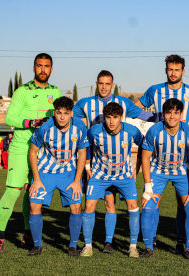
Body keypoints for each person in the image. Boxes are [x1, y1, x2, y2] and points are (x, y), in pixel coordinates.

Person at [73, 70, 155, 254]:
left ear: (112, 85)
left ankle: (121, 244)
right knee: (102, 204)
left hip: (121, 168)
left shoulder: (124, 105)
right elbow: (68, 117)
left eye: (107, 83)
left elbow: (143, 116)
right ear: (96, 84)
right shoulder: (86, 105)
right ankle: (90, 244)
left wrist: (165, 117)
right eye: (101, 83)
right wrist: (86, 166)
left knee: (123, 205)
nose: (104, 87)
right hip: (97, 168)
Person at [135, 54, 189, 254]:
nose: (173, 73)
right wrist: (152, 117)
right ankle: (150, 244)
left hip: (182, 161)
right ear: (166, 70)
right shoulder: (155, 91)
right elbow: (137, 109)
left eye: (177, 69)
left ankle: (184, 243)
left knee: (187, 203)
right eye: (170, 69)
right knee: (150, 203)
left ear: (183, 71)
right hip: (159, 160)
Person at [0, 53, 62, 254]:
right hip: (21, 147)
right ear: (33, 68)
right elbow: (9, 118)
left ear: (51, 69)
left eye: (46, 66)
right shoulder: (22, 91)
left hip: (43, 151)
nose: (43, 69)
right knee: (14, 190)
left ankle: (27, 235)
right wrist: (30, 123)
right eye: (39, 66)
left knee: (32, 192)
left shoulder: (55, 91)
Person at [27, 96, 89, 256]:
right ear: (54, 112)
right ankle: (37, 245)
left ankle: (73, 246)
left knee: (76, 207)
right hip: (45, 173)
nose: (62, 117)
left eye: (66, 113)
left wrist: (77, 181)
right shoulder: (44, 127)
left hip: (68, 174)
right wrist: (36, 179)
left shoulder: (80, 127)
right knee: (34, 206)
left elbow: (82, 154)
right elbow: (32, 152)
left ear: (71, 114)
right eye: (59, 112)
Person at [80, 102, 143, 258]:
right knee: (89, 206)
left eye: (115, 117)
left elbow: (144, 146)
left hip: (124, 175)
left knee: (133, 206)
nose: (112, 121)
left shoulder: (132, 131)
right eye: (108, 117)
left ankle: (133, 247)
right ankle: (88, 246)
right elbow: (86, 147)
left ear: (121, 117)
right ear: (104, 118)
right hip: (100, 175)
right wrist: (87, 168)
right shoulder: (94, 131)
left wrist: (137, 169)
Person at [140, 98, 189, 259]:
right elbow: (145, 158)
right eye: (168, 112)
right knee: (147, 206)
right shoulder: (154, 131)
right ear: (163, 114)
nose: (172, 116)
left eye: (176, 112)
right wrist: (147, 187)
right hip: (157, 171)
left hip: (181, 172)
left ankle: (187, 248)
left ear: (181, 114)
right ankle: (148, 246)